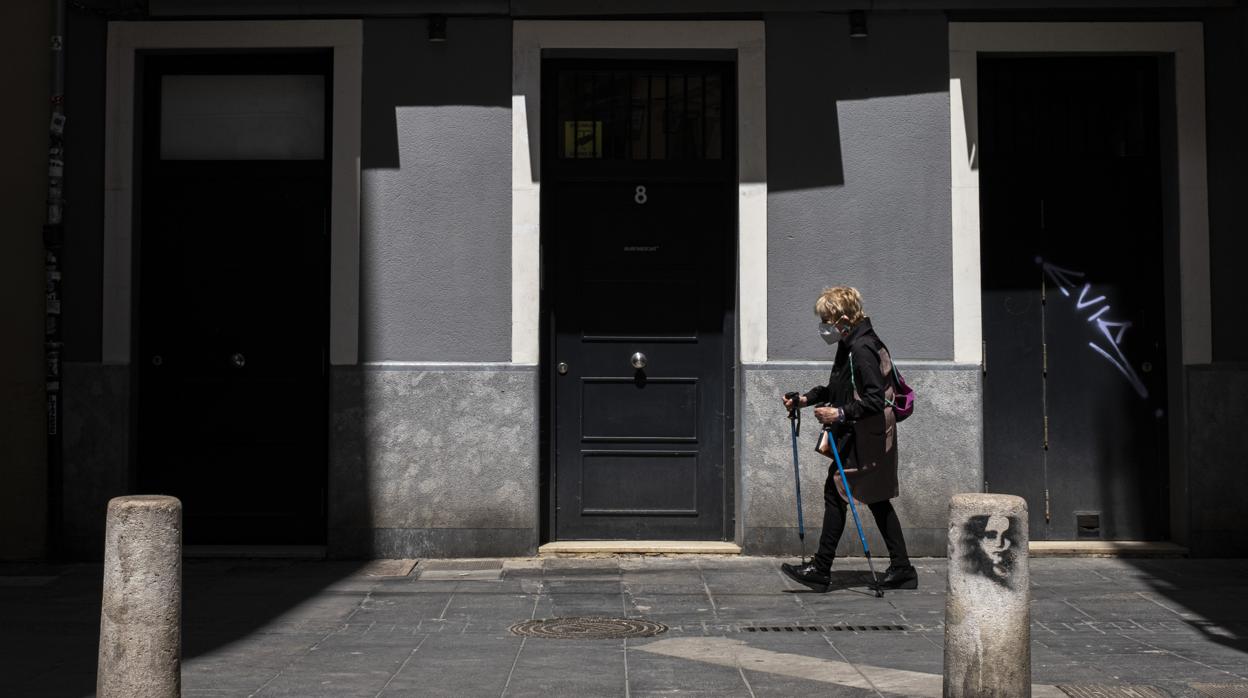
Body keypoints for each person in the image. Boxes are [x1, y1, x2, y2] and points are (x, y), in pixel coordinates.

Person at [780, 286, 917, 592]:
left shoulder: (862, 349)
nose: (824, 327)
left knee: (836, 491)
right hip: (865, 432)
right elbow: (836, 388)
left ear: (843, 318)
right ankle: (902, 568)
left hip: (868, 434)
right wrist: (804, 399)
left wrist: (839, 415)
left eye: (827, 320)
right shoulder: (849, 343)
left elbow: (874, 400)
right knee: (877, 498)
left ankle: (821, 568)